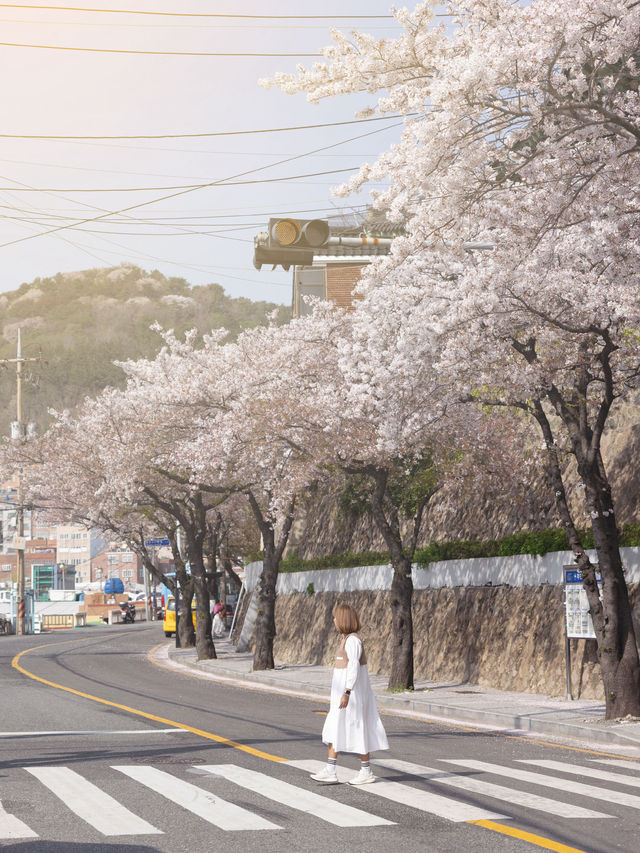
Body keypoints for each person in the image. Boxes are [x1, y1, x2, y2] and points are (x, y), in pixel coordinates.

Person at [310, 603, 388, 786]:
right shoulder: (345, 639)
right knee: (335, 728)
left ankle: (366, 771)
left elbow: (353, 668)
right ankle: (330, 770)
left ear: (343, 619)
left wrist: (347, 692)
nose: (334, 620)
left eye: (336, 617)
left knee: (358, 728)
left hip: (352, 695)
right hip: (343, 694)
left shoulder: (353, 641)